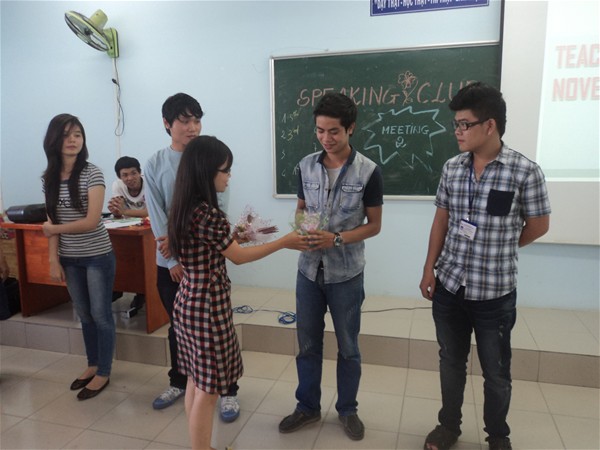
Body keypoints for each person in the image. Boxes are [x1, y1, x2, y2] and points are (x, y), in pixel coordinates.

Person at [418, 82, 551, 450]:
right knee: (451, 362)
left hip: (494, 293)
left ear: (490, 125)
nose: (457, 131)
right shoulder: (452, 168)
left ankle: (497, 435)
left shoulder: (525, 171)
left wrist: (504, 245)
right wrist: (429, 269)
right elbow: (441, 221)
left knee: (496, 372)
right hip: (450, 284)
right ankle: (448, 426)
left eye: (465, 124)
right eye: (456, 124)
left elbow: (539, 225)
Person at [168, 135, 308, 450]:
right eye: (225, 170)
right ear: (206, 172)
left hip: (187, 301)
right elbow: (239, 258)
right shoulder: (209, 214)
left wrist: (237, 238)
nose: (229, 177)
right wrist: (284, 242)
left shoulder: (184, 207)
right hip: (207, 307)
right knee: (208, 391)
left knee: (195, 381)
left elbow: (213, 248)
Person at [279, 92, 383, 441]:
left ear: (350, 128)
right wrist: (302, 229)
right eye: (320, 130)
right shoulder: (306, 165)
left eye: (334, 131)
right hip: (308, 270)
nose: (326, 138)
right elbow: (301, 208)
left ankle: (347, 409)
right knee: (307, 344)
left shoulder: (369, 171)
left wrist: (336, 239)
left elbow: (374, 226)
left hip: (346, 273)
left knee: (348, 347)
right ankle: (307, 406)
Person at [144, 93, 241, 421]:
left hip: (204, 259)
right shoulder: (155, 163)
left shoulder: (206, 155)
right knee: (182, 328)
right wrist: (173, 259)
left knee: (217, 330)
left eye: (196, 120)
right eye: (184, 121)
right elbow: (156, 212)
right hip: (170, 260)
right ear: (167, 124)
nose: (192, 127)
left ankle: (227, 390)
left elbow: (218, 206)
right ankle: (181, 381)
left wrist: (215, 239)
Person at [41, 113, 116, 400]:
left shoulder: (92, 173)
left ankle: (104, 371)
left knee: (101, 315)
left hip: (97, 255)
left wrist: (54, 230)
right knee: (84, 314)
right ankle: (92, 364)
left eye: (77, 135)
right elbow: (52, 222)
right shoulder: (49, 178)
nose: (73, 140)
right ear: (54, 140)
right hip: (69, 258)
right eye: (66, 135)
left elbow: (91, 221)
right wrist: (53, 259)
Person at [108, 156, 147, 310]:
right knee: (119, 252)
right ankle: (119, 287)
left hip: (149, 230)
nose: (130, 178)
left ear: (140, 172)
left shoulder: (149, 183)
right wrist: (116, 211)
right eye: (125, 175)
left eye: (133, 173)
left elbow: (151, 211)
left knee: (142, 259)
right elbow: (118, 211)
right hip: (130, 228)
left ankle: (142, 292)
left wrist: (125, 211)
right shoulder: (117, 185)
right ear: (119, 177)